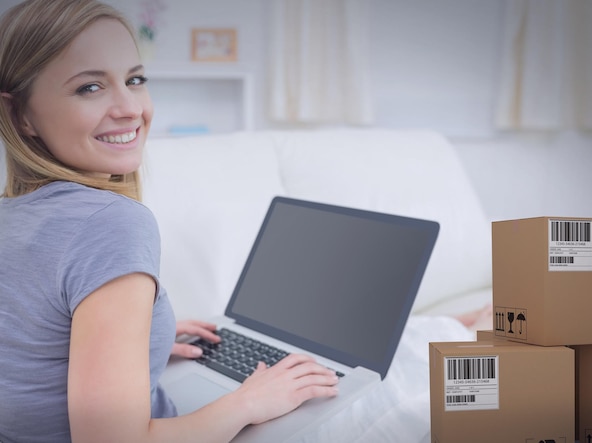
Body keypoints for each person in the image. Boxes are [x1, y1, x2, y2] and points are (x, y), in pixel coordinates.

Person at [0, 1, 339, 442]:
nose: (130, 108)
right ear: (20, 115)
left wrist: (143, 332)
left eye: (135, 80)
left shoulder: (12, 213)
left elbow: (31, 342)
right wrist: (249, 402)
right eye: (89, 88)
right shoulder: (111, 222)